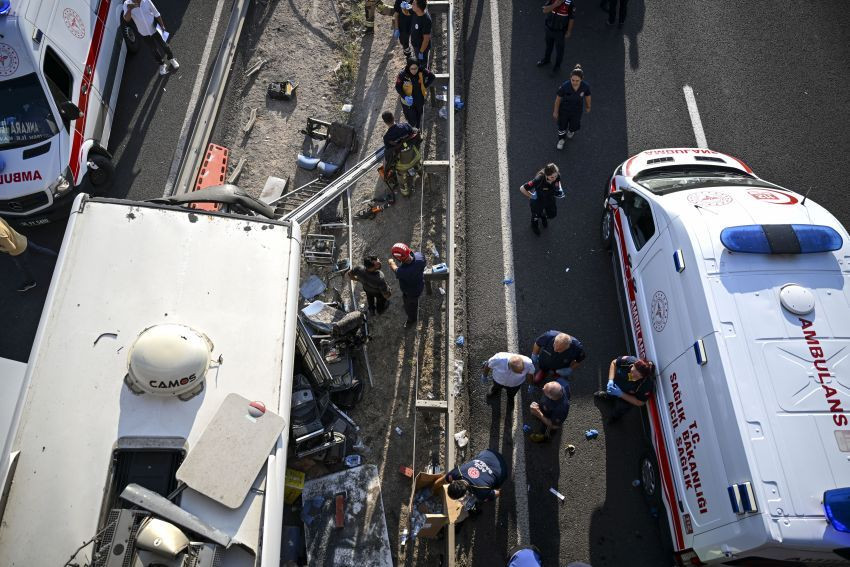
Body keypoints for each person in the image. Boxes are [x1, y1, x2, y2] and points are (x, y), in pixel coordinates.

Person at [431, 449, 508, 514]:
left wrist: (491, 494)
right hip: (489, 453)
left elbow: (497, 493)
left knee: (488, 495)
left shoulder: (481, 492)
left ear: (464, 495)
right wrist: (432, 490)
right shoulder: (457, 472)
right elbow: (441, 481)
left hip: (501, 470)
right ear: (453, 482)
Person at [0, 217, 57, 293]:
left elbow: (12, 247)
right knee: (39, 250)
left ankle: (31, 282)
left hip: (18, 251)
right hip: (21, 239)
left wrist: (1, 249)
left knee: (24, 267)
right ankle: (57, 257)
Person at [123, 0, 179, 76]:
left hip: (155, 29)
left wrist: (162, 25)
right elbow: (127, 19)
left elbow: (156, 13)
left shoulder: (146, 1)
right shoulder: (127, 4)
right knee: (153, 50)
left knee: (164, 45)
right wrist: (129, 9)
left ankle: (171, 59)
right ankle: (162, 64)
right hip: (144, 32)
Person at [595, 356, 655, 424]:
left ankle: (615, 417)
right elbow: (614, 363)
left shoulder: (647, 384)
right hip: (617, 384)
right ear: (633, 365)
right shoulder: (629, 361)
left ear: (643, 377)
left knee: (621, 407)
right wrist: (610, 380)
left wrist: (621, 394)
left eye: (636, 376)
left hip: (627, 398)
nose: (632, 375)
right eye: (632, 371)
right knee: (610, 391)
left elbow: (640, 402)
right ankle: (608, 396)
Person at [387, 242, 426, 329]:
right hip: (419, 285)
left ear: (398, 258)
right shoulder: (420, 256)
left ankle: (412, 319)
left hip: (410, 292)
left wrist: (391, 262)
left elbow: (395, 269)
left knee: (410, 306)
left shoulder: (402, 272)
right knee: (411, 300)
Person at [519, 163, 565, 235]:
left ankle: (543, 216)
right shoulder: (539, 179)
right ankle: (535, 226)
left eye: (555, 176)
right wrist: (532, 196)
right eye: (552, 177)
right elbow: (522, 188)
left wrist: (559, 190)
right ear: (546, 175)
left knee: (552, 214)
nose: (554, 178)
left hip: (550, 199)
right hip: (538, 201)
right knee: (535, 216)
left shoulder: (557, 177)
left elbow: (558, 183)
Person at [553, 64, 591, 149]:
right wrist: (555, 111)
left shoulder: (585, 86)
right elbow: (558, 99)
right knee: (562, 126)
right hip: (564, 110)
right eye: (572, 80)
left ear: (581, 79)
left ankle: (571, 131)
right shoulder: (565, 86)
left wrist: (588, 106)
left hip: (577, 111)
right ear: (570, 78)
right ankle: (561, 140)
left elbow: (588, 96)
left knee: (574, 124)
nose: (574, 82)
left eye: (577, 80)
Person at [536, 0, 575, 76]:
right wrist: (554, 5)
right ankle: (546, 60)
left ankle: (557, 66)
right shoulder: (552, 0)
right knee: (548, 46)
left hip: (560, 32)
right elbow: (544, 10)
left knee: (559, 50)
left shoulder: (570, 4)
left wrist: (569, 31)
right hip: (549, 28)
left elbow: (571, 19)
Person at [395, 58, 435, 129]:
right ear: (408, 67)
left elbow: (432, 76)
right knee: (411, 120)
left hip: (419, 99)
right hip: (407, 102)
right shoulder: (402, 74)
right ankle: (412, 130)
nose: (414, 71)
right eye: (412, 68)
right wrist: (404, 96)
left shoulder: (421, 70)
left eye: (415, 68)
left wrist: (424, 86)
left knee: (419, 116)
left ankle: (417, 129)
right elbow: (398, 87)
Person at [410, 0, 432, 65]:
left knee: (423, 64)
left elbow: (426, 40)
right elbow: (407, 13)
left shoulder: (426, 20)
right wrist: (403, 8)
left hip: (422, 48)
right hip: (415, 44)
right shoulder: (415, 11)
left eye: (414, 4)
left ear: (418, 8)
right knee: (418, 60)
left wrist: (421, 52)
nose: (411, 5)